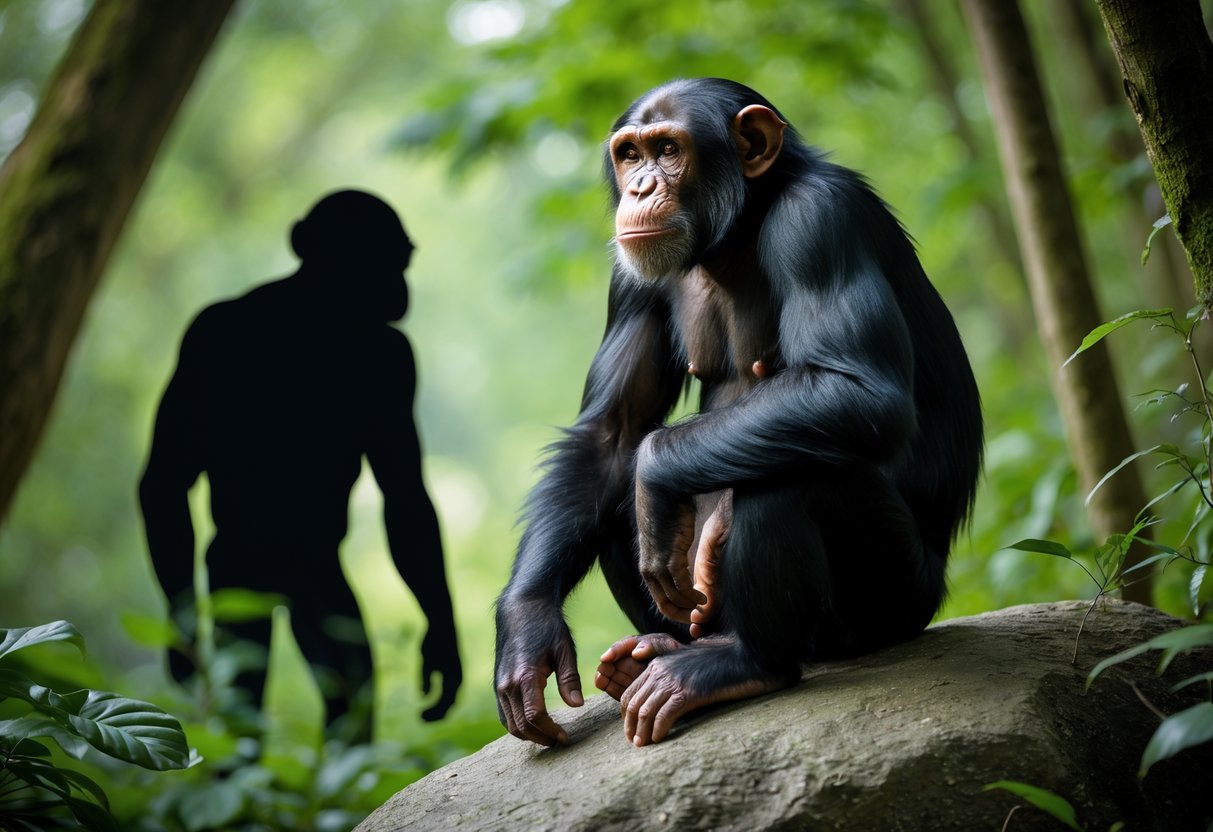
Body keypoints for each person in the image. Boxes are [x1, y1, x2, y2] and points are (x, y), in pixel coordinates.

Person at [139, 190, 461, 731]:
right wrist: (180, 616)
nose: (398, 286)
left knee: (270, 727)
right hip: (280, 564)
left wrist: (183, 614)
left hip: (264, 565)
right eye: (387, 265)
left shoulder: (232, 332)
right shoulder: (369, 355)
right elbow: (162, 487)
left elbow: (163, 487)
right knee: (338, 718)